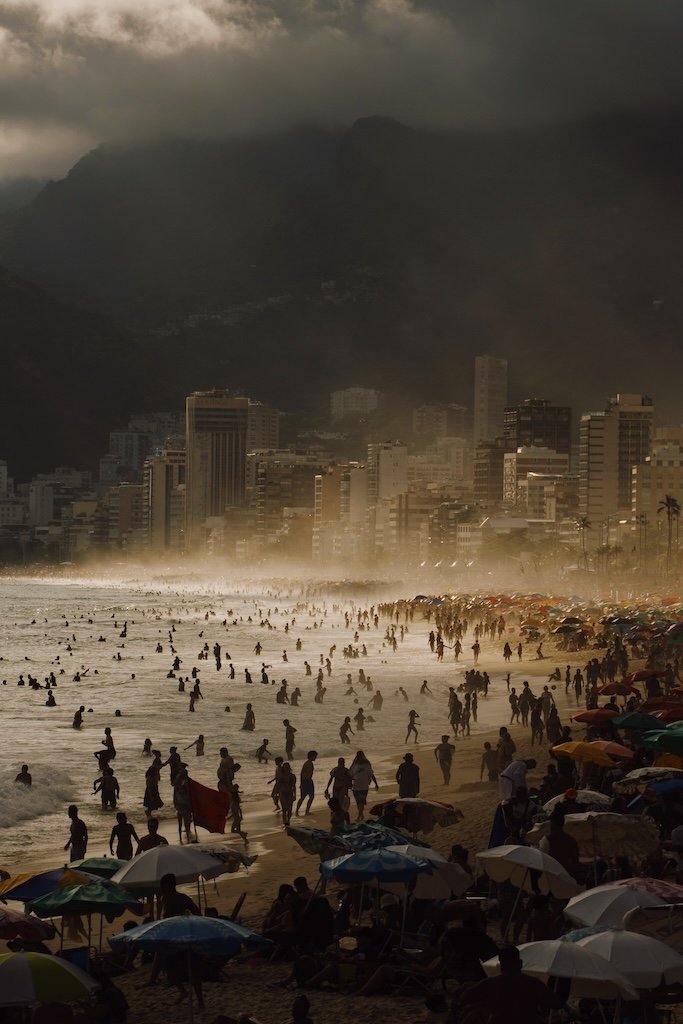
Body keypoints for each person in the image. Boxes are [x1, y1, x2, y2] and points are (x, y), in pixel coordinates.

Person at [456, 945, 560, 1024]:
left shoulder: (490, 983)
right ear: (520, 963)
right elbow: (555, 1003)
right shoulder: (533, 983)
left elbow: (464, 998)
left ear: (500, 965)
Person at [538, 810, 581, 880]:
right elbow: (575, 861)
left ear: (552, 823)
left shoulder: (547, 839)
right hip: (568, 877)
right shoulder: (572, 840)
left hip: (551, 877)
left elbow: (542, 860)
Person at [349, 751, 378, 822]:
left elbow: (371, 775)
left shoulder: (367, 765)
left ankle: (360, 815)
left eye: (360, 756)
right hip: (355, 786)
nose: (359, 757)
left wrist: (376, 783)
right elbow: (350, 775)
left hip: (364, 786)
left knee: (361, 801)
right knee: (358, 801)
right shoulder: (354, 765)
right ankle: (361, 814)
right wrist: (349, 784)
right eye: (358, 756)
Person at [295, 751, 317, 816]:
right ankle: (303, 811)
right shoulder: (308, 763)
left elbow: (302, 774)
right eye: (315, 756)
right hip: (307, 782)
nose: (315, 757)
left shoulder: (309, 763)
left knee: (307, 797)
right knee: (305, 797)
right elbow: (303, 774)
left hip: (307, 781)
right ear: (311, 756)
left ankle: (301, 811)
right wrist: (302, 783)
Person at [278, 763, 296, 827]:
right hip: (282, 793)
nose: (287, 768)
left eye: (288, 767)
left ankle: (288, 821)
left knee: (289, 810)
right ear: (283, 768)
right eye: (285, 767)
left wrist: (295, 795)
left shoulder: (292, 776)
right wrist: (277, 794)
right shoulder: (281, 776)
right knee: (284, 810)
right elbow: (278, 785)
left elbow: (294, 786)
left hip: (290, 793)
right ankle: (285, 823)